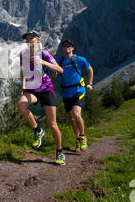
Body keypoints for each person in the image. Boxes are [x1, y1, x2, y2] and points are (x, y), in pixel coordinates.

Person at [17, 30, 65, 165]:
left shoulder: (44, 53)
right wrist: (23, 85)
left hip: (46, 89)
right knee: (21, 106)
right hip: (31, 89)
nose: (28, 41)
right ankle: (37, 130)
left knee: (52, 124)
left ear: (38, 40)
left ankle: (59, 152)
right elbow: (24, 72)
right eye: (27, 39)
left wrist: (43, 62)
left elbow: (59, 69)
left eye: (31, 38)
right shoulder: (24, 55)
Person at [52, 39, 93, 153]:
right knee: (71, 118)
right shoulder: (59, 62)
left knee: (76, 113)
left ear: (73, 48)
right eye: (64, 46)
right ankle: (77, 138)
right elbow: (53, 79)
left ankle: (83, 136)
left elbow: (89, 69)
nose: (67, 47)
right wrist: (55, 72)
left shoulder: (79, 59)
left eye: (69, 45)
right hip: (66, 92)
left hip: (78, 89)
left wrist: (89, 83)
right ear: (62, 48)